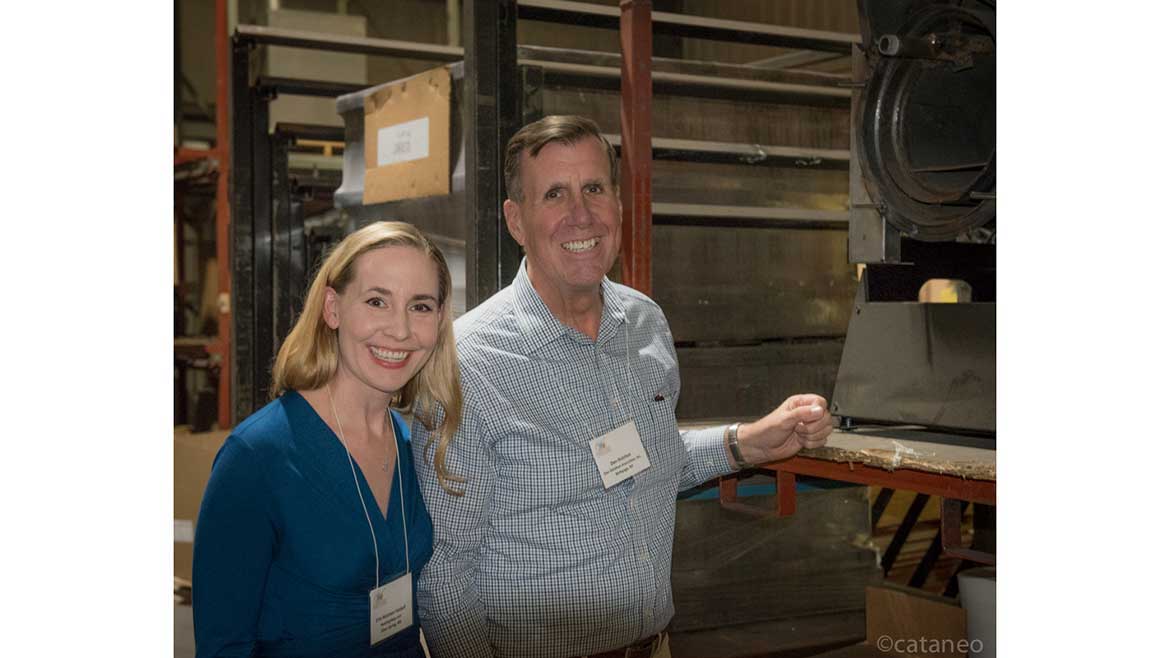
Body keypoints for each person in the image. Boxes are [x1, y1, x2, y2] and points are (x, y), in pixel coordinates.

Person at [410, 115, 834, 658]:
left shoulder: (645, 323)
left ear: (617, 203)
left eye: (594, 189)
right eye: (555, 194)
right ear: (516, 221)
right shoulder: (469, 363)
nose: (580, 214)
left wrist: (745, 442)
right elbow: (446, 576)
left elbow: (648, 459)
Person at [193, 221, 463, 657]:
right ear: (333, 309)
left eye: (420, 306)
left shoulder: (409, 441)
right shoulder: (257, 458)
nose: (400, 330)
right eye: (377, 301)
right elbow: (223, 645)